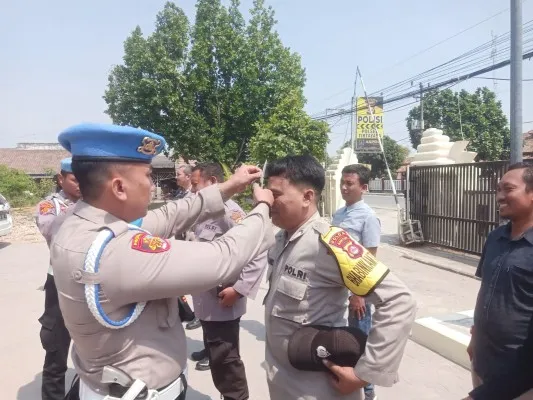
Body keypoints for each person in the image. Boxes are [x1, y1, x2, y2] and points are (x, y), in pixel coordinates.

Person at [50, 123, 275, 400]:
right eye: (148, 176)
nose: (152, 184)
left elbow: (172, 214)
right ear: (119, 187)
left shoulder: (82, 223)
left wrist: (230, 186)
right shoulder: (116, 250)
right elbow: (224, 258)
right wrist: (263, 208)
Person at [263, 155, 416, 400]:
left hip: (317, 389)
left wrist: (365, 374)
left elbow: (399, 301)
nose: (268, 200)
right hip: (281, 381)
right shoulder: (281, 239)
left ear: (307, 197)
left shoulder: (330, 243)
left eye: (276, 194)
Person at [188, 162, 267, 400]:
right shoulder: (197, 210)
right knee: (216, 355)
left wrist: (240, 290)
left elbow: (258, 251)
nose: (192, 191)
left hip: (223, 301)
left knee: (227, 361)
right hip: (203, 299)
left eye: (195, 185)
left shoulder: (231, 214)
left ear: (212, 183)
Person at [466, 162, 533, 400]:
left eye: (508, 189)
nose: (500, 196)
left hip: (520, 379)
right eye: (498, 190)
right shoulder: (496, 237)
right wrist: (475, 337)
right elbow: (486, 290)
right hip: (483, 363)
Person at [331, 164, 381, 400]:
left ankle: (368, 391)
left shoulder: (368, 217)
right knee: (341, 340)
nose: (344, 187)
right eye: (343, 182)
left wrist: (358, 294)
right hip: (336, 289)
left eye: (350, 183)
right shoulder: (339, 214)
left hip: (356, 291)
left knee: (359, 340)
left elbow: (369, 258)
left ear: (363, 187)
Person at [35, 157, 81, 400]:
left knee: (96, 349)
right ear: (61, 178)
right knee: (56, 347)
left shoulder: (95, 202)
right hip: (60, 282)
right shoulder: (49, 205)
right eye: (75, 178)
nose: (80, 184)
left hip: (90, 281)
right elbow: (50, 229)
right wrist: (85, 208)